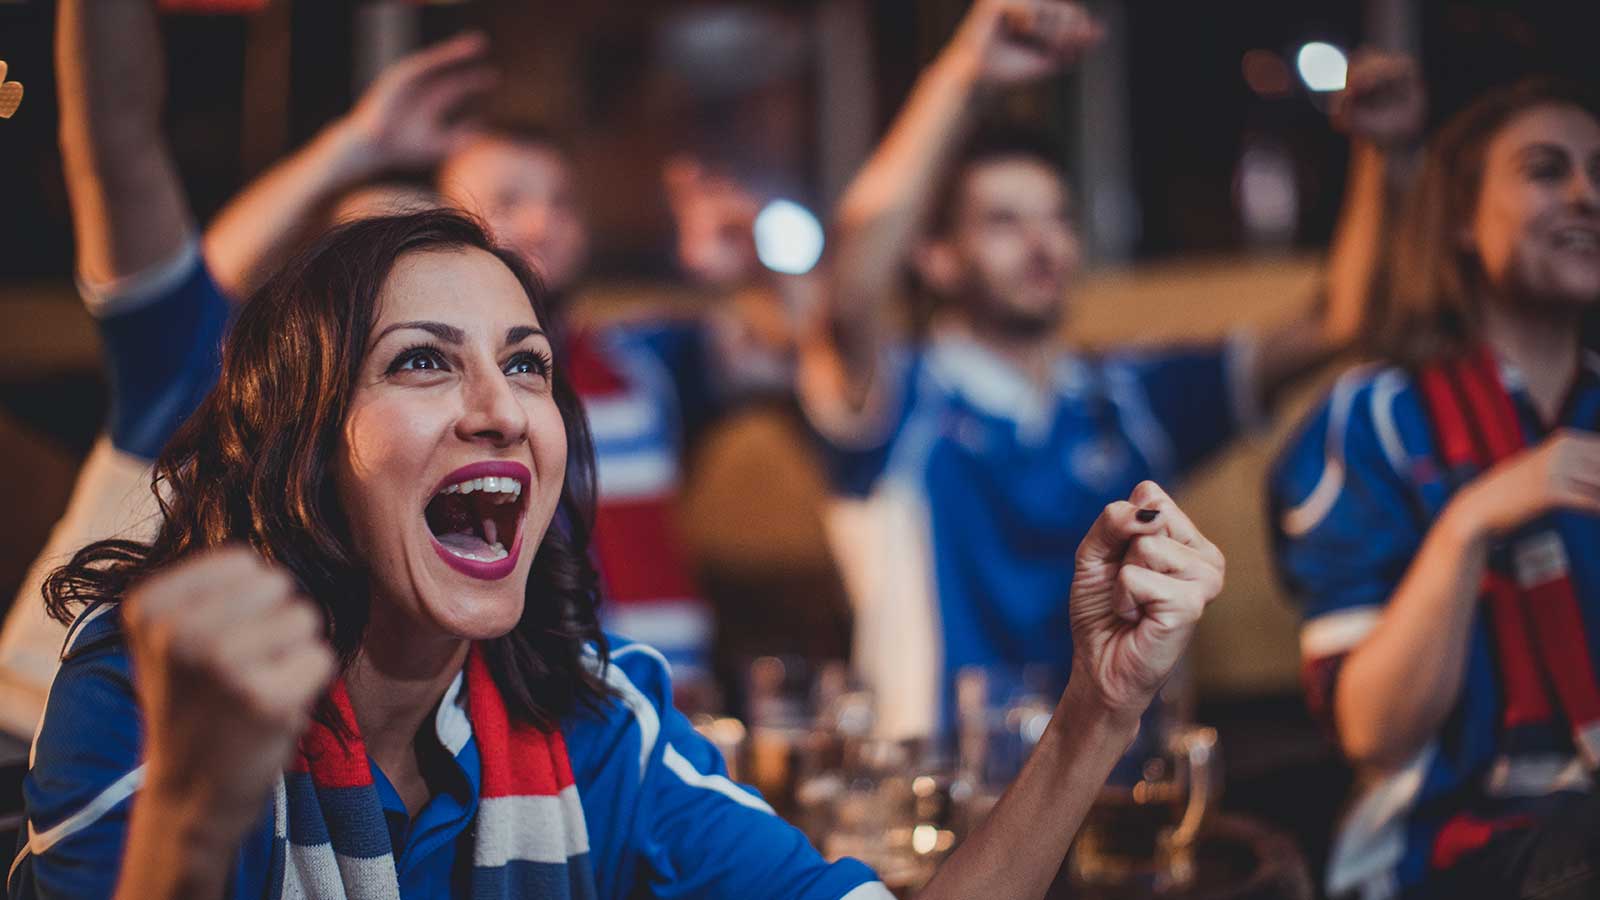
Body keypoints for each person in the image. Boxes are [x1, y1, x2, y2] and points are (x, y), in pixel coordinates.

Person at [10, 204, 1225, 900]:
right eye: (424, 360)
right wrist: (196, 804)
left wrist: (1097, 711)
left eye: (527, 365)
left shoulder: (596, 717)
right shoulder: (146, 689)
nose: (501, 408)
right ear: (303, 446)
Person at [799, 0, 1359, 738]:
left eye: (1057, 218)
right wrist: (964, 71)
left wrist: (1383, 153)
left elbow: (1341, 324)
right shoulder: (898, 399)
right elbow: (854, 273)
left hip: (1123, 799)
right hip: (951, 801)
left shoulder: (1127, 398)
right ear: (934, 257)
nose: (1042, 245)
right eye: (1003, 222)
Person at [0, 11, 491, 733]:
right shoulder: (211, 382)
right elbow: (117, 142)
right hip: (28, 746)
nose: (394, 281)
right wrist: (353, 147)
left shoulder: (443, 447)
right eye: (357, 258)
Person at [1270, 77, 1600, 898]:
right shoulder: (1378, 416)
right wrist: (1469, 521)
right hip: (1450, 850)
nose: (1587, 195)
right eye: (1546, 170)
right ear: (1458, 218)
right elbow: (1372, 732)